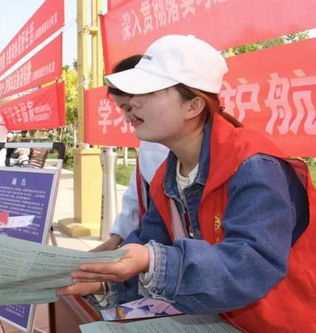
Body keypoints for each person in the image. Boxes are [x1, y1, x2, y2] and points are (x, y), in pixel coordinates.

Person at [58, 34, 316, 332]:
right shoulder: (165, 177)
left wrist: (153, 260)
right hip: (221, 314)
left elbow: (250, 265)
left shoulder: (255, 166)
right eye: (129, 96)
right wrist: (101, 281)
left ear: (193, 106)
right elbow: (146, 245)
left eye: (148, 91)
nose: (130, 105)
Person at [92, 55, 168, 252]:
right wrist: (117, 240)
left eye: (130, 108)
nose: (128, 119)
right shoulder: (151, 143)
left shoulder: (246, 161)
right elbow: (139, 198)